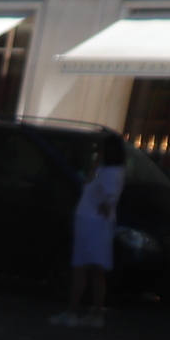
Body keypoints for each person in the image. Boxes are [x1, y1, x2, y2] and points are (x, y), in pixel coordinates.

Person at [54, 134, 124, 329]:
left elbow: (100, 191)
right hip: (95, 222)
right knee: (95, 270)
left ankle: (73, 312)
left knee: (82, 268)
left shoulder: (111, 171)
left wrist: (106, 203)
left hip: (92, 222)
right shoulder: (108, 170)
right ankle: (94, 313)